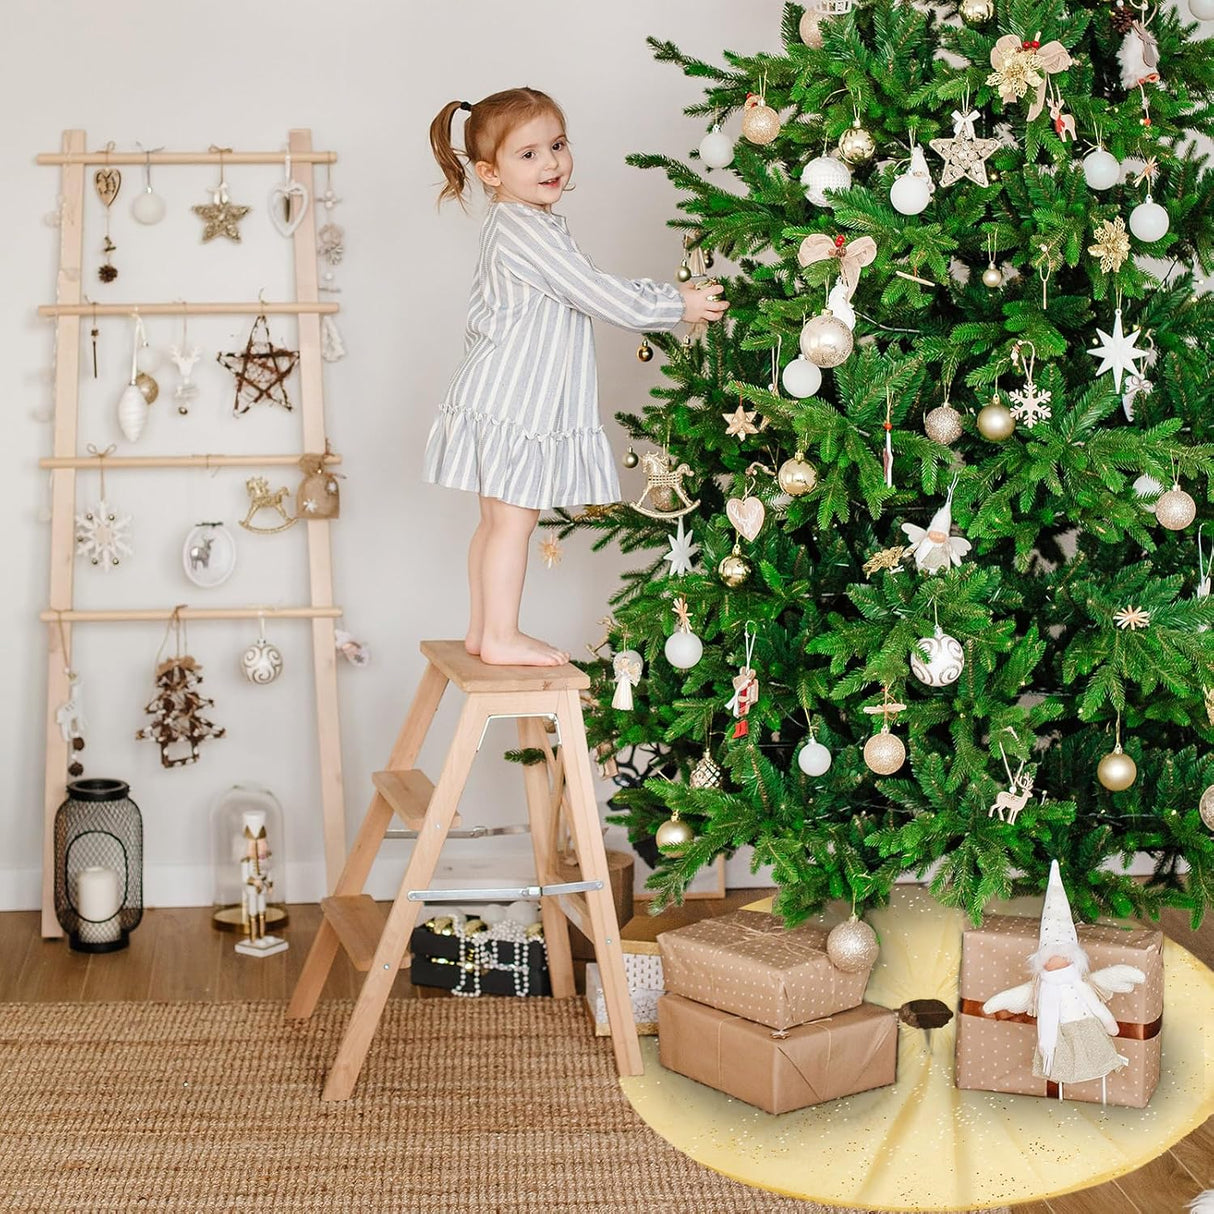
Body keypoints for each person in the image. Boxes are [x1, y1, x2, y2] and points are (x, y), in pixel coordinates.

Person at [424, 87, 729, 666]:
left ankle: (482, 630)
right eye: (529, 154)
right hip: (516, 401)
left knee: (495, 524)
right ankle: (500, 635)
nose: (551, 163)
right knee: (511, 525)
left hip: (497, 391)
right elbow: (595, 292)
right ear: (489, 172)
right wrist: (676, 304)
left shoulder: (516, 222)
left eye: (557, 146)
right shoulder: (526, 231)